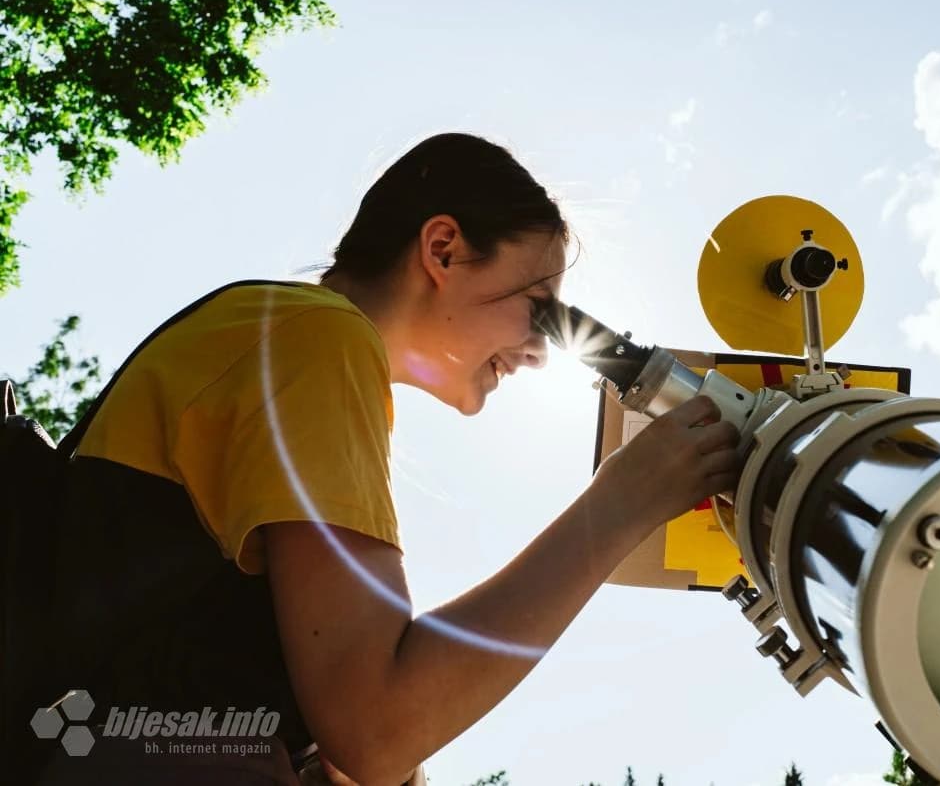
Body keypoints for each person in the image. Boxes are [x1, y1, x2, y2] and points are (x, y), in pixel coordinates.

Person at [31, 132, 741, 785]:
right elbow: (378, 725)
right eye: (539, 305)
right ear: (443, 249)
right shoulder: (318, 337)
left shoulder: (280, 336)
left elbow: (342, 736)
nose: (539, 351)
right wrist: (618, 509)